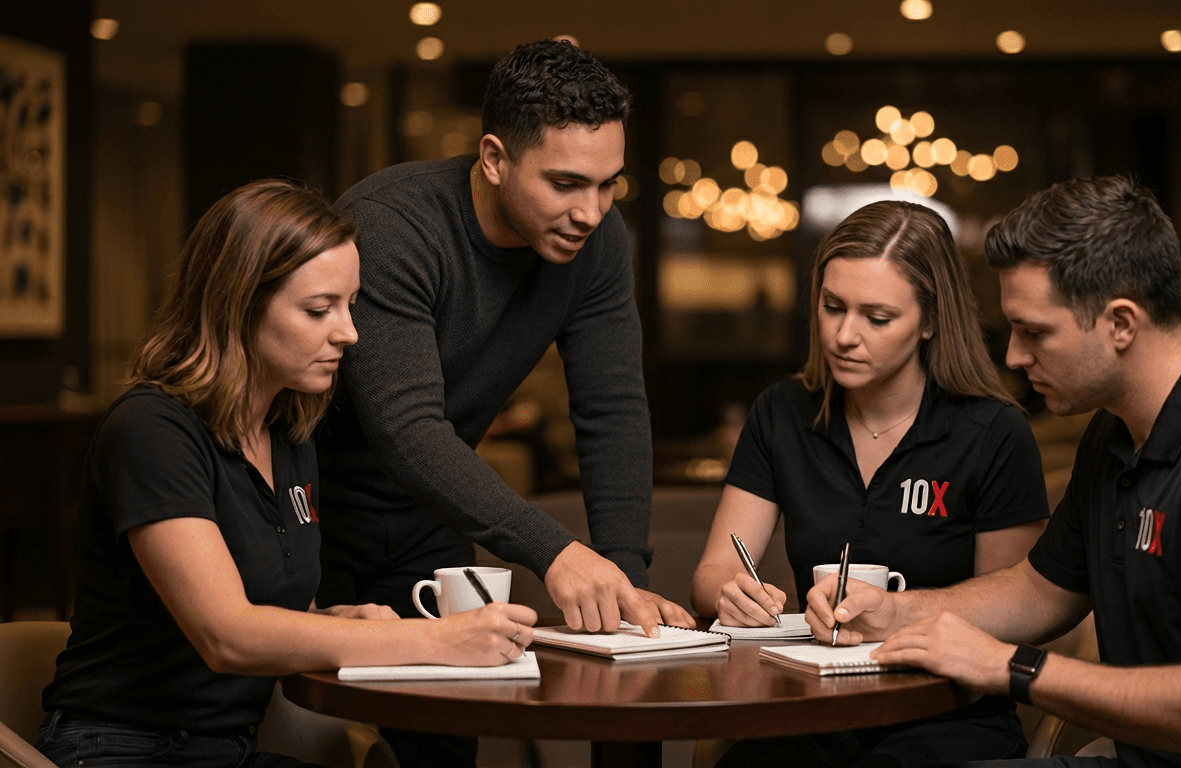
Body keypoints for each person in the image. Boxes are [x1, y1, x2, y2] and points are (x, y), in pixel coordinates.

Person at [808, 176, 1181, 767]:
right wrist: (897, 611)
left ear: (1121, 323)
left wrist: (1011, 666)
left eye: (1035, 332)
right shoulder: (1114, 433)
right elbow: (1039, 590)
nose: (1014, 357)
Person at [35, 180, 537, 768]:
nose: (348, 332)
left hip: (229, 751)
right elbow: (228, 635)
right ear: (238, 304)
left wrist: (331, 620)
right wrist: (436, 640)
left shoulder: (291, 432)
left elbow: (266, 613)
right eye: (319, 310)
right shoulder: (151, 432)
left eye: (351, 305)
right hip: (118, 748)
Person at [313, 38, 691, 764]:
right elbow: (408, 429)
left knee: (446, 746)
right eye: (567, 183)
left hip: (428, 518)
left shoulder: (598, 240)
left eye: (610, 184)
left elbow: (611, 408)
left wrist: (621, 577)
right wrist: (558, 554)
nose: (592, 211)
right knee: (325, 734)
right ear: (493, 159)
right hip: (313, 512)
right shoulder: (395, 227)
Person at [692, 201, 1050, 766]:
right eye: (832, 307)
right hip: (812, 709)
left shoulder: (993, 433)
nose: (843, 335)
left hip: (947, 716)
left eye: (877, 318)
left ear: (930, 321)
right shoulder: (782, 413)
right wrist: (730, 596)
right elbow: (715, 573)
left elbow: (1013, 613)